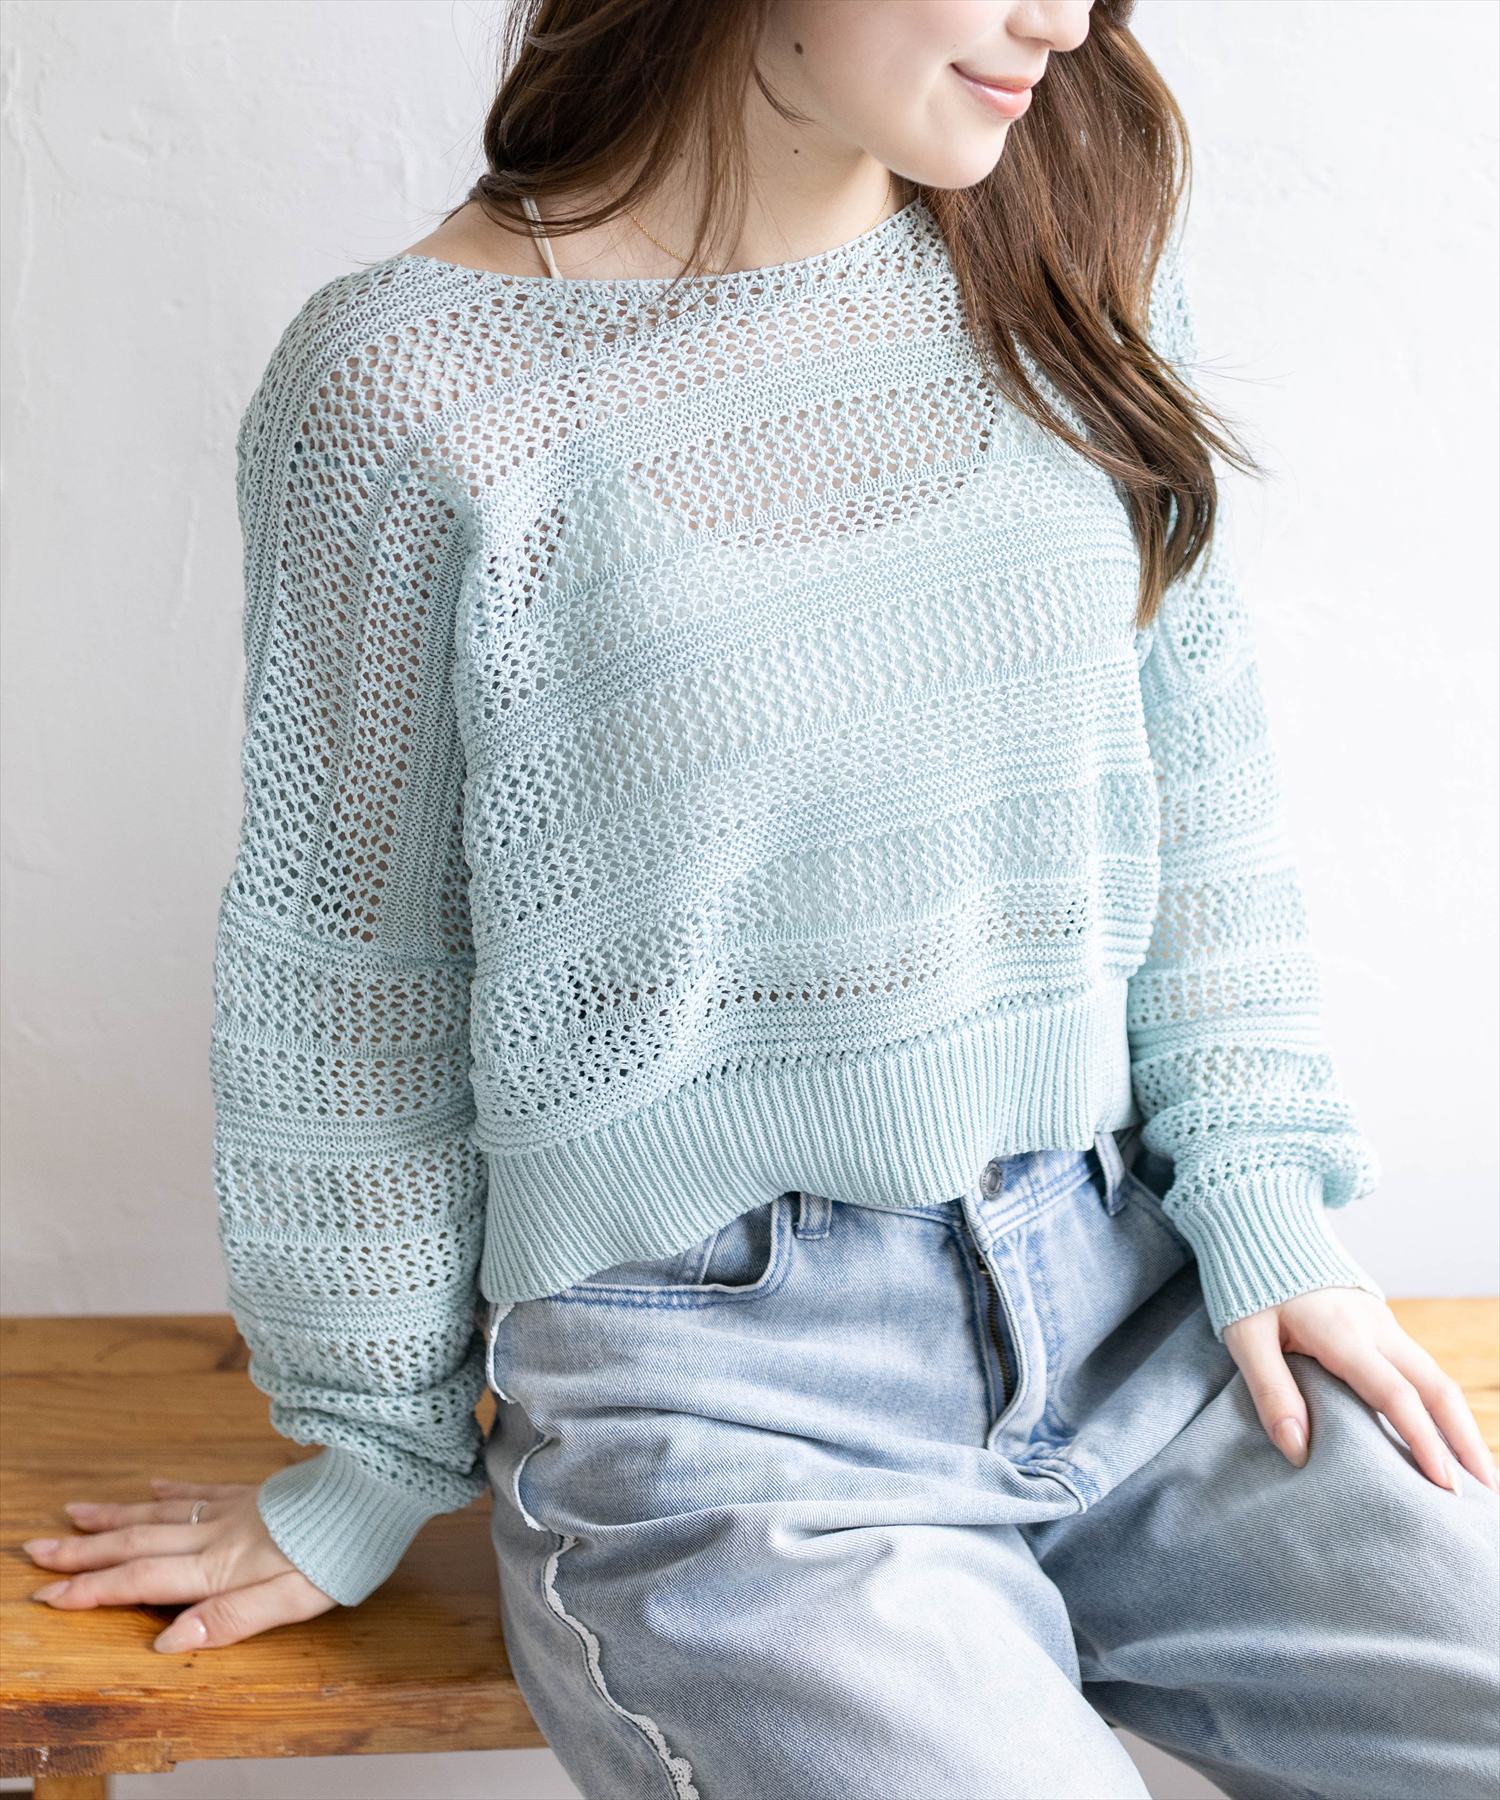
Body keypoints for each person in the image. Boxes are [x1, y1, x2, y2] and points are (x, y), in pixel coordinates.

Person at [27, 1, 1499, 1794]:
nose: (1063, 18)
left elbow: (1196, 768)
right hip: (718, 1409)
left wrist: (1266, 1193)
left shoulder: (1067, 237)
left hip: (1143, 1300)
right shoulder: (409, 393)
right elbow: (352, 985)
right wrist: (368, 1458)